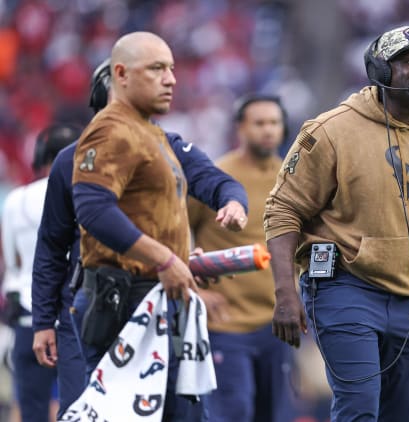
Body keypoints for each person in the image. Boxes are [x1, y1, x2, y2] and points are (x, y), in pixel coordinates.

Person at [264, 25, 409, 421]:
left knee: (401, 416)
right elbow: (282, 211)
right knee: (359, 411)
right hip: (344, 287)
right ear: (379, 71)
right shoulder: (330, 131)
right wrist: (284, 293)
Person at [32, 57, 248, 418]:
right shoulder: (71, 160)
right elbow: (52, 246)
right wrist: (43, 322)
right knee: (91, 410)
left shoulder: (170, 148)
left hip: (163, 299)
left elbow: (219, 181)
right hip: (95, 303)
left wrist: (232, 203)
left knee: (180, 412)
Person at [189, 94, 293, 422]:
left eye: (274, 123)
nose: (268, 130)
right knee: (234, 412)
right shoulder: (217, 177)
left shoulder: (295, 178)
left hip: (277, 324)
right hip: (226, 322)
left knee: (272, 415)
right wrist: (195, 291)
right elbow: (175, 233)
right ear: (240, 128)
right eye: (259, 123)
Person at [2, 123, 79, 422]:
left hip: (29, 317)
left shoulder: (16, 200)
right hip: (77, 314)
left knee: (31, 410)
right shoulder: (88, 192)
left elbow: (14, 262)